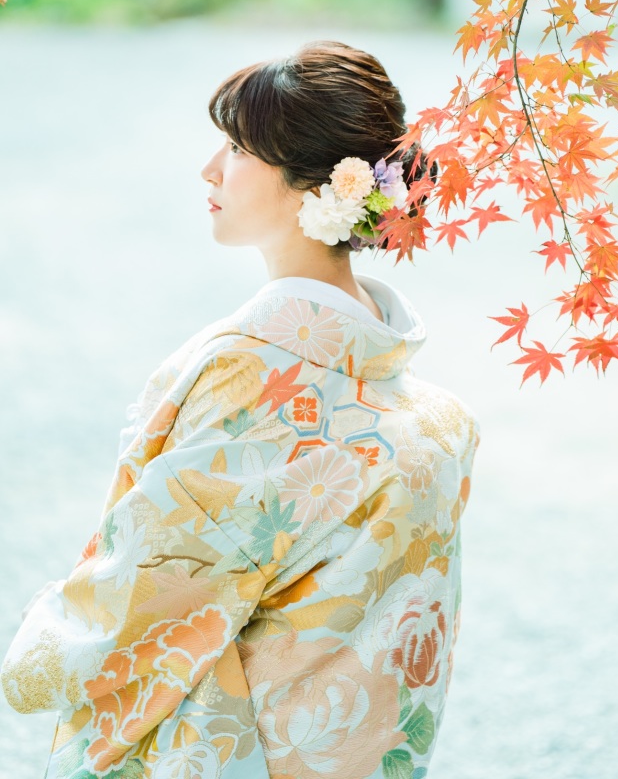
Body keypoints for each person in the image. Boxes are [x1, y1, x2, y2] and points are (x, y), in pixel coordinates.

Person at [1, 39, 480, 778]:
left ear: (317, 185)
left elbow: (160, 582)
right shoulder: (440, 422)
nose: (209, 169)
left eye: (235, 147)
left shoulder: (252, 376)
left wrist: (39, 653)